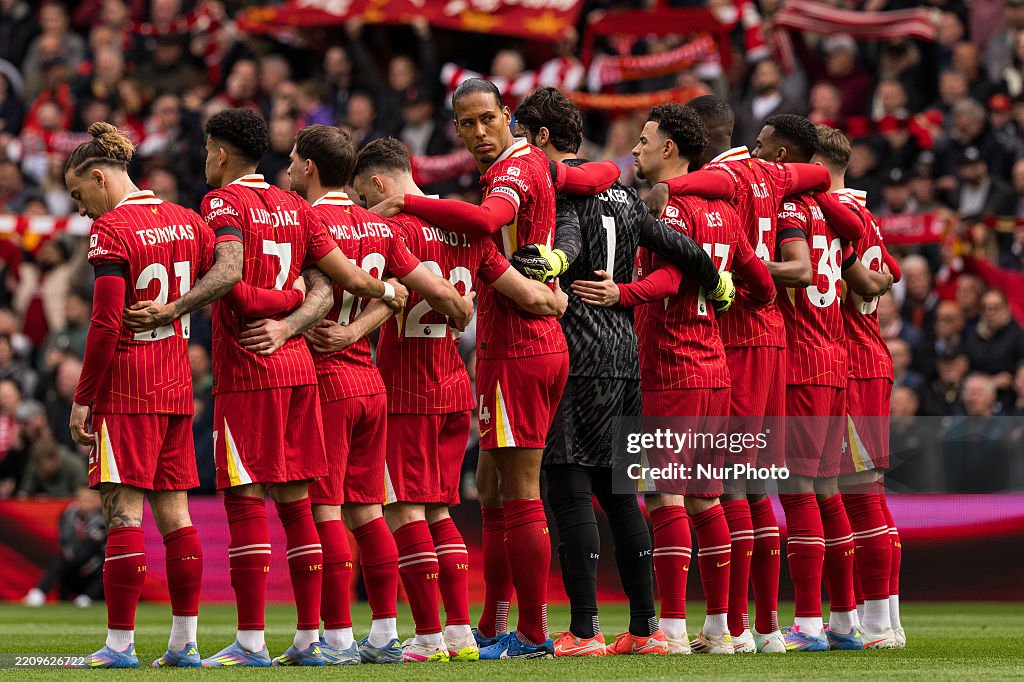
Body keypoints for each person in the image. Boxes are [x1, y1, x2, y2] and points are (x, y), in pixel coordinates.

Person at [126, 108, 407, 668]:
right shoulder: (297, 207)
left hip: (251, 374)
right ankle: (310, 641)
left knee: (246, 501)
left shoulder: (222, 203)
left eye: (208, 152)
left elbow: (231, 277)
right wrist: (301, 319)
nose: (206, 161)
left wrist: (175, 307)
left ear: (219, 153)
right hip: (301, 369)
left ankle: (252, 642)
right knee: (300, 503)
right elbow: (330, 289)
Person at [370, 77, 618, 660]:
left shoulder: (508, 173)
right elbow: (594, 174)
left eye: (487, 119)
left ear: (508, 114)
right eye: (467, 124)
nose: (479, 133)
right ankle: (492, 622)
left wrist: (411, 200)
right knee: (494, 489)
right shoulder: (534, 161)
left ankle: (531, 632)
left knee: (520, 490)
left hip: (521, 348)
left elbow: (487, 222)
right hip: (522, 339)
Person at [510, 87, 733, 657]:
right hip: (624, 358)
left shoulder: (564, 191)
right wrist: (717, 281)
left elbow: (568, 240)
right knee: (621, 493)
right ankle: (646, 628)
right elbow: (679, 245)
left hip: (577, 353)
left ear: (538, 138)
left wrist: (554, 262)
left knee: (567, 487)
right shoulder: (623, 194)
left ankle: (583, 630)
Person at [353, 136, 568, 662]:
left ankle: (427, 637)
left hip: (405, 385)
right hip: (454, 385)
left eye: (362, 195)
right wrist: (557, 297)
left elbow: (390, 294)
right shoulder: (467, 233)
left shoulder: (390, 229)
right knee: (441, 511)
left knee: (404, 509)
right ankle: (457, 634)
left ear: (379, 183)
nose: (362, 206)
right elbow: (531, 294)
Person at [645, 97, 848, 654]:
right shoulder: (774, 175)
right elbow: (818, 173)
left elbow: (675, 198)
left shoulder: (716, 179)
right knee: (754, 482)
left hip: (726, 335)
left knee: (718, 485)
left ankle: (730, 627)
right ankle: (762, 628)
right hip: (775, 335)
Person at [284, 126, 471, 665]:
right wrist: (461, 312)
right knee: (371, 513)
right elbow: (412, 291)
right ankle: (387, 634)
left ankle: (337, 639)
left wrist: (323, 330)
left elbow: (303, 293)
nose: (290, 169)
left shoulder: (308, 221)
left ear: (312, 168)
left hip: (327, 381)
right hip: (373, 383)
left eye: (295, 161)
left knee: (327, 512)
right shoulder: (377, 226)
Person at [596, 104, 775, 655]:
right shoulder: (725, 212)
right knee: (705, 498)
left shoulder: (675, 211)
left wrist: (620, 294)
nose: (636, 150)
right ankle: (725, 630)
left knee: (667, 497)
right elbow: (763, 287)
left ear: (669, 149)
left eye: (645, 141)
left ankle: (670, 629)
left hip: (672, 368)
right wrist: (722, 302)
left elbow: (671, 277)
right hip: (714, 368)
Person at [64, 122, 223, 668]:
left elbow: (106, 323)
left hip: (128, 390)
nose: (81, 208)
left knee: (124, 519)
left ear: (100, 177)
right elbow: (224, 278)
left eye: (79, 193)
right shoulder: (188, 221)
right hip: (178, 388)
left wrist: (84, 396)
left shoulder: (111, 229)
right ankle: (185, 645)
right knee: (177, 519)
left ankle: (119, 646)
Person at [812, 125, 903, 649]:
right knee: (871, 495)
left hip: (848, 362)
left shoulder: (830, 216)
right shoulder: (863, 215)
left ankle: (870, 623)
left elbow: (875, 277)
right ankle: (886, 619)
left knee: (859, 495)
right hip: (871, 356)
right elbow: (888, 273)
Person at [23, 486, 105, 608]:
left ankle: (87, 597)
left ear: (97, 501)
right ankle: (38, 593)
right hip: (73, 563)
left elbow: (92, 547)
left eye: (86, 500)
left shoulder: (102, 520)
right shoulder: (68, 515)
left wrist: (75, 557)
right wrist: (70, 555)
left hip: (94, 565)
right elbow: (64, 540)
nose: (81, 503)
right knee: (59, 562)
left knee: (107, 568)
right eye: (79, 499)